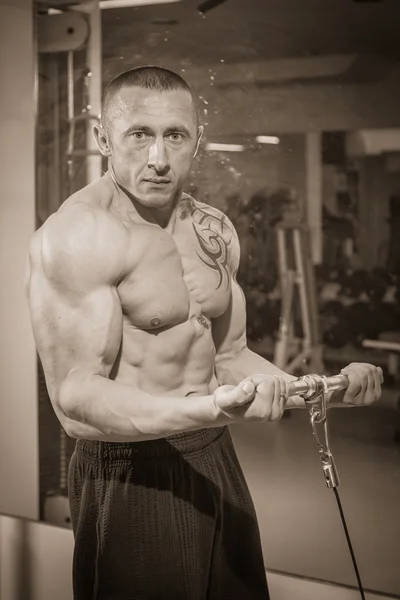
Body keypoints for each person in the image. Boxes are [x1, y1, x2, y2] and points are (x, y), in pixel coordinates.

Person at [25, 66, 383, 600]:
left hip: (213, 453)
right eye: (139, 134)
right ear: (103, 138)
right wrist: (211, 408)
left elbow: (230, 355)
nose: (159, 158)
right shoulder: (80, 236)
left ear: (197, 138)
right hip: (131, 467)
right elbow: (75, 399)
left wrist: (317, 389)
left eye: (175, 135)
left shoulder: (212, 229)